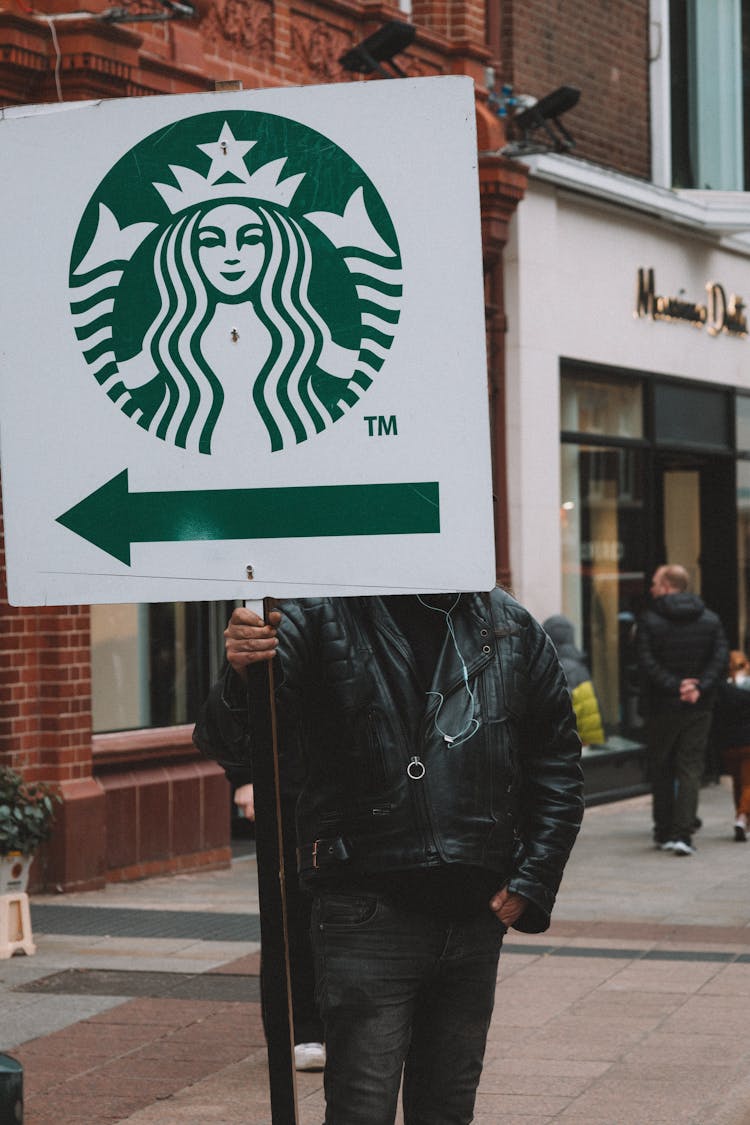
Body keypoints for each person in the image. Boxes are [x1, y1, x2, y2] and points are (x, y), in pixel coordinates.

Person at [194, 589, 584, 1125]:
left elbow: (557, 762)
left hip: (474, 917)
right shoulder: (318, 614)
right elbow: (233, 744)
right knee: (362, 1108)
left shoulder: (509, 624)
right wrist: (243, 675)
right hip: (367, 912)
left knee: (448, 1109)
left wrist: (530, 882)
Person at [637, 564, 728, 856]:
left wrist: (676, 685)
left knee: (662, 766)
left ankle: (664, 830)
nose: (651, 588)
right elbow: (720, 659)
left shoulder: (650, 620)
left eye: (655, 583)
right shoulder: (710, 620)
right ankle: (683, 833)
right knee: (690, 767)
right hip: (698, 705)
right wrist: (697, 687)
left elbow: (646, 662)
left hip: (662, 705)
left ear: (666, 586)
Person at [543, 615, 605, 747]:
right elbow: (590, 711)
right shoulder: (578, 667)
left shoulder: (549, 669)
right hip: (582, 745)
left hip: (564, 748)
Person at [712, 650, 750, 842]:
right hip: (747, 743)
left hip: (729, 744)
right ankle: (742, 818)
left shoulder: (721, 689)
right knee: (748, 784)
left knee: (738, 783)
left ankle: (741, 819)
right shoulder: (746, 687)